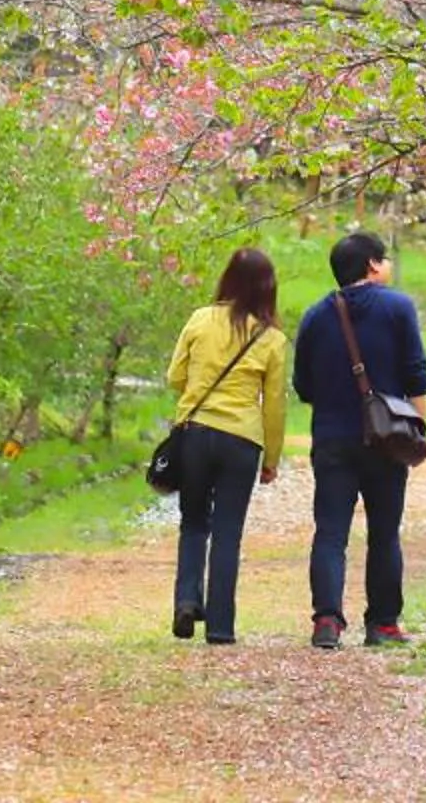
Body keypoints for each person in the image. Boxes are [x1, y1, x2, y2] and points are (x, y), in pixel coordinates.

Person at [291, 229, 426, 650]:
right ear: (372, 264)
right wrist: (418, 432)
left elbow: (303, 386)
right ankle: (383, 625)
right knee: (384, 533)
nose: (387, 265)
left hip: (332, 439)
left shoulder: (316, 316)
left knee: (330, 531)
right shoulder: (399, 307)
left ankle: (327, 622)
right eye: (384, 258)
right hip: (387, 440)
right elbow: (416, 373)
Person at [163, 245, 286, 645]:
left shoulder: (200, 319)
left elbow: (174, 377)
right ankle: (220, 626)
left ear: (228, 278)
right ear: (268, 287)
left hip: (196, 432)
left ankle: (185, 599)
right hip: (242, 440)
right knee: (228, 532)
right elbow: (275, 407)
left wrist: (198, 390)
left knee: (194, 520)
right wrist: (271, 457)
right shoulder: (271, 338)